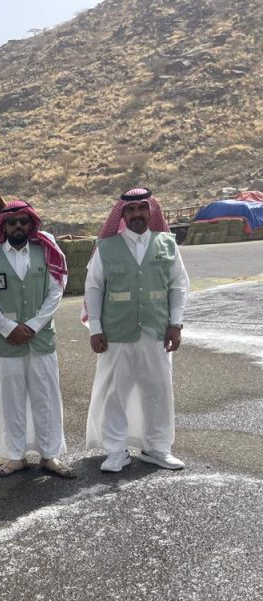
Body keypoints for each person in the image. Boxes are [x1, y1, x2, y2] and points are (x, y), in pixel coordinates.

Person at [84, 188, 190, 473]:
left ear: (151, 210)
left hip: (156, 330)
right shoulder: (107, 246)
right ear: (122, 214)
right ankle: (116, 450)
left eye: (142, 208)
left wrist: (176, 324)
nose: (136, 214)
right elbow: (94, 287)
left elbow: (178, 285)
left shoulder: (167, 244)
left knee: (158, 389)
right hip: (116, 331)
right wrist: (95, 328)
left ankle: (157, 448)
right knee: (115, 392)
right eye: (130, 210)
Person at [0, 200, 76, 479]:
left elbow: (56, 292)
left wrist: (31, 326)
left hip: (40, 340)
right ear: (3, 226)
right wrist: (8, 328)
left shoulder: (47, 253)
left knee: (46, 398)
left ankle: (50, 455)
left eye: (23, 221)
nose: (18, 226)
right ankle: (15, 456)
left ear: (31, 224)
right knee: (11, 400)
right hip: (4, 342)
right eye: (12, 222)